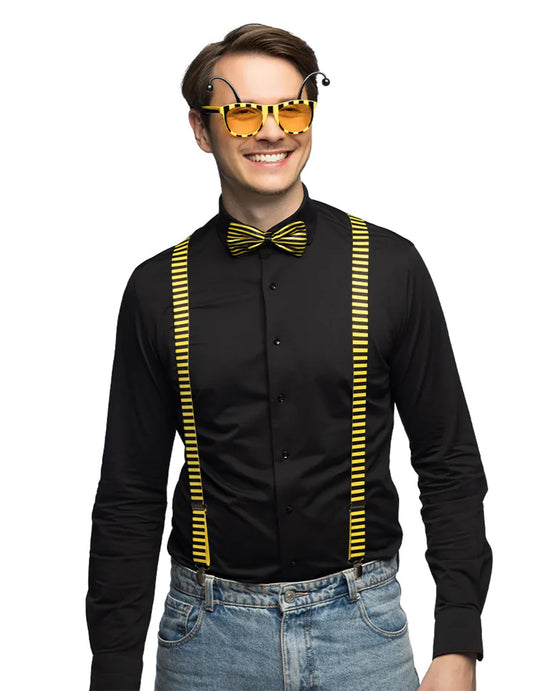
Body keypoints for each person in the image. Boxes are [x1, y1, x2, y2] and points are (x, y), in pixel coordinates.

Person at [85, 23, 492, 691]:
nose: (271, 130)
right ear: (200, 129)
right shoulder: (156, 290)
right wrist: (113, 668)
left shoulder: (389, 267)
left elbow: (447, 459)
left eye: (291, 108)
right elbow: (129, 492)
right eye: (243, 112)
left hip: (361, 631)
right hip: (205, 639)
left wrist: (458, 640)